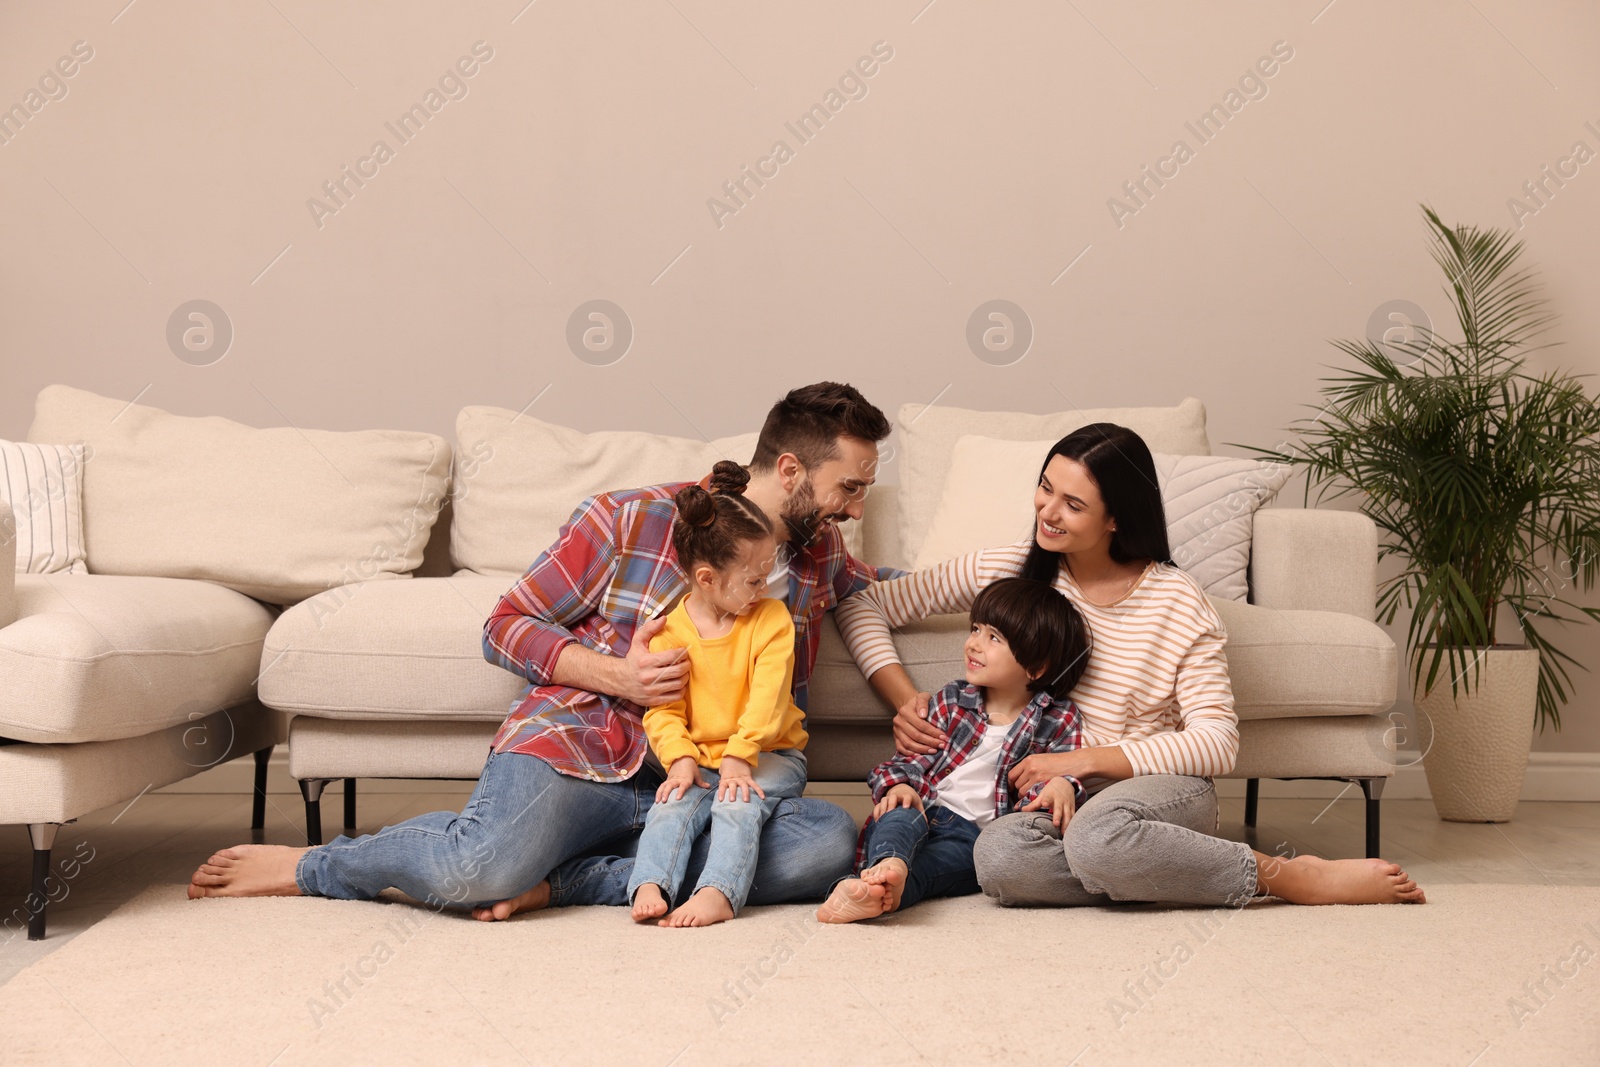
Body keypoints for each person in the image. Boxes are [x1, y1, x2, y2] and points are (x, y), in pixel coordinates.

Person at [189, 382, 905, 916]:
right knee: (477, 868)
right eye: (848, 487)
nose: (854, 508)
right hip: (586, 744)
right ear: (788, 470)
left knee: (824, 845)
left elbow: (882, 590)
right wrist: (620, 674)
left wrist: (1006, 577)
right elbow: (507, 623)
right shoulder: (629, 518)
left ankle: (564, 880)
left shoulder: (819, 554)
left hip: (708, 778)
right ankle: (316, 863)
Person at [834, 423, 1427, 909]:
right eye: (1045, 488)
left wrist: (1082, 761)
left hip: (1151, 788)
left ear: (1116, 518)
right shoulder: (1011, 567)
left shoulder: (1174, 600)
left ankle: (1285, 876)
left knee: (1097, 837)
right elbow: (864, 604)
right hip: (1053, 796)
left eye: (1073, 504)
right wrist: (905, 699)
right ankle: (1142, 867)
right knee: (998, 858)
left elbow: (1216, 744)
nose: (1047, 511)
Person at [817, 578, 1090, 923]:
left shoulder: (1058, 718)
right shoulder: (952, 699)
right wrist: (900, 786)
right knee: (899, 818)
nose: (974, 643)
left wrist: (1062, 786)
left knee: (942, 868)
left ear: (1035, 667)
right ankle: (889, 864)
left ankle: (880, 892)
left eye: (994, 638)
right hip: (923, 806)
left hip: (972, 837)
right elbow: (911, 760)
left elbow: (1051, 780)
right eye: (975, 629)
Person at [629, 467, 809, 927]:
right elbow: (663, 710)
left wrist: (740, 755)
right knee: (671, 804)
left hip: (769, 752)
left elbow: (768, 700)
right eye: (753, 581)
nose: (764, 589)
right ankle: (652, 882)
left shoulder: (771, 620)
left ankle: (718, 892)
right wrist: (679, 759)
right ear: (707, 578)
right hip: (702, 756)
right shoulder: (668, 632)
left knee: (736, 803)